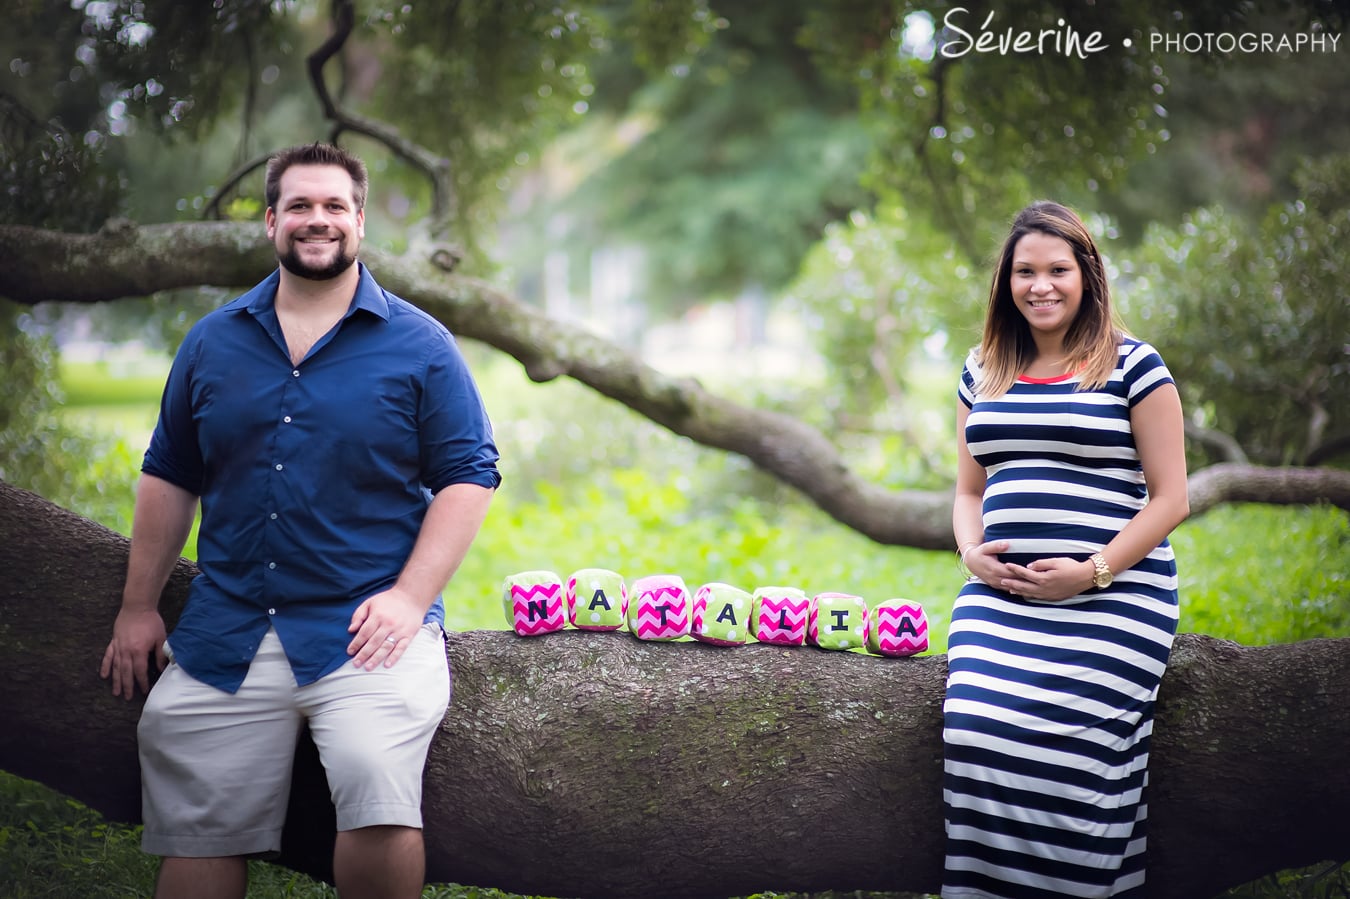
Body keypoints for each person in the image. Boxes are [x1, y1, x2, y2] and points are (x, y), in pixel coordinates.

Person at [100, 142, 501, 899]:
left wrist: (410, 599)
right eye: (300, 206)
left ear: (359, 219)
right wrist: (137, 605)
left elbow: (468, 476)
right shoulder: (213, 341)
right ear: (270, 221)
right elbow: (170, 473)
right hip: (230, 627)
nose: (318, 220)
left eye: (334, 206)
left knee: (379, 796)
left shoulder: (421, 345)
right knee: (198, 827)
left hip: (368, 630)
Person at [943, 200, 1189, 898]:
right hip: (1001, 600)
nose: (1040, 285)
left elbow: (1172, 498)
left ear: (1087, 276)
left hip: (1116, 596)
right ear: (1006, 281)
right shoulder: (981, 369)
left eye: (1058, 269)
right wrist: (970, 554)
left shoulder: (1134, 366)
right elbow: (967, 490)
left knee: (1067, 750)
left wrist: (1090, 572)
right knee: (973, 729)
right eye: (1025, 271)